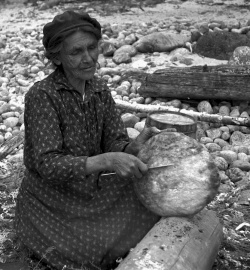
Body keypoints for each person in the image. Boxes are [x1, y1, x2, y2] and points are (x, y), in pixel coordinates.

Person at [14, 10, 161, 270]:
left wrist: (131, 148)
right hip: (52, 198)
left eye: (92, 48)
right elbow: (48, 165)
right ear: (57, 57)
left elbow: (114, 141)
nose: (88, 58)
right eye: (76, 52)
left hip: (91, 190)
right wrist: (106, 160)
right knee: (89, 253)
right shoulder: (42, 96)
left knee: (152, 202)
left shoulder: (99, 89)